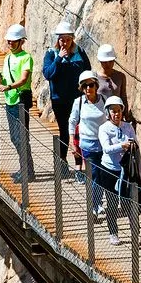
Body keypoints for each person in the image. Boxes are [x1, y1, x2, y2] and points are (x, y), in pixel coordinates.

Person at [42, 21, 90, 175]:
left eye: (68, 39)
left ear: (72, 39)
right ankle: (62, 164)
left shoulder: (79, 53)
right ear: (58, 40)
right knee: (64, 131)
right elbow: (48, 74)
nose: (65, 43)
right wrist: (59, 59)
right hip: (59, 99)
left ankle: (79, 166)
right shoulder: (51, 53)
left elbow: (87, 72)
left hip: (77, 99)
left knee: (79, 131)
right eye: (62, 39)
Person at [96, 96, 136, 244]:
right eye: (113, 111)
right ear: (108, 112)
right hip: (109, 169)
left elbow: (134, 142)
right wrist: (122, 146)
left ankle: (134, 231)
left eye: (118, 111)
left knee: (129, 201)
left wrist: (131, 145)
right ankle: (113, 232)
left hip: (125, 169)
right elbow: (106, 148)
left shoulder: (128, 127)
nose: (116, 114)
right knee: (112, 202)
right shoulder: (104, 128)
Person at [0, 24, 36, 182]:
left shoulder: (26, 58)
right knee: (15, 137)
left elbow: (24, 78)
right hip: (10, 99)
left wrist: (8, 86)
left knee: (21, 136)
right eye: (9, 41)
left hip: (20, 99)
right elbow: (7, 76)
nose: (10, 44)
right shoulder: (8, 58)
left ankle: (27, 172)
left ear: (21, 41)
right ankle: (26, 169)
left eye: (13, 41)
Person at [68, 71, 108, 212]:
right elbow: (72, 121)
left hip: (103, 144)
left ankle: (96, 203)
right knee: (94, 174)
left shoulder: (104, 100)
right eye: (85, 86)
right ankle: (94, 205)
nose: (88, 88)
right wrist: (72, 142)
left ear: (96, 85)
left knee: (102, 175)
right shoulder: (78, 102)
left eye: (90, 85)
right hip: (87, 144)